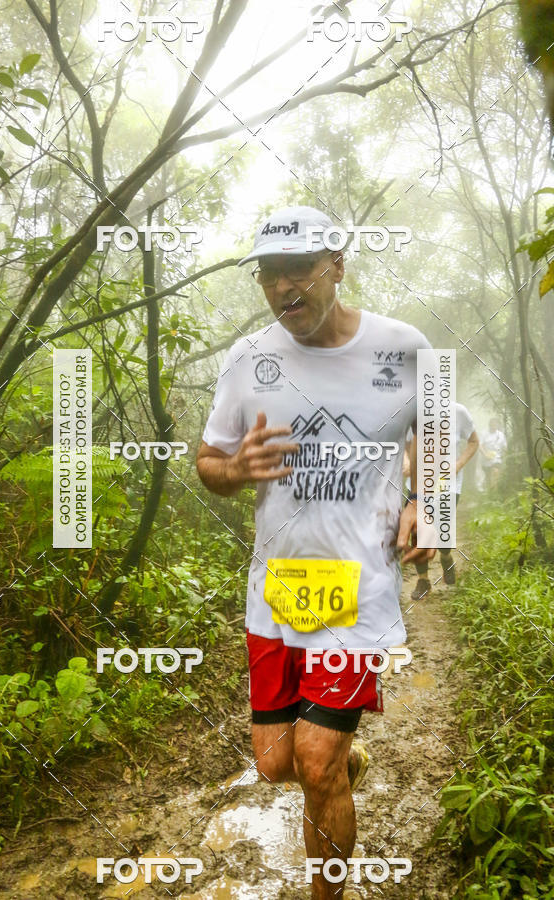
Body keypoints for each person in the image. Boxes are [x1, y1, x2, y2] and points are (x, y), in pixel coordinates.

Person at [196, 206, 435, 900]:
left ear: (338, 265)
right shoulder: (249, 359)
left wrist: (429, 504)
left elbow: (450, 433)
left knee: (314, 758)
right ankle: (337, 767)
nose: (282, 287)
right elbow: (208, 462)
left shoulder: (403, 346)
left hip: (357, 594)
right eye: (269, 275)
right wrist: (236, 470)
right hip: (276, 592)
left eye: (297, 268)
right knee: (276, 765)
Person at [410, 403, 479, 601]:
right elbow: (406, 443)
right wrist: (407, 461)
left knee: (442, 531)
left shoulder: (459, 412)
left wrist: (458, 464)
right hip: (418, 484)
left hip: (448, 485)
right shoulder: (412, 411)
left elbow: (474, 441)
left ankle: (446, 556)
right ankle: (423, 580)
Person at [480, 417, 507, 491]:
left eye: (495, 424)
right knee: (488, 476)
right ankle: (489, 492)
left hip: (497, 459)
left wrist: (505, 456)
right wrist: (485, 454)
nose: (494, 426)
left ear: (498, 425)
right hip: (486, 459)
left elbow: (505, 447)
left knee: (495, 472)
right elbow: (480, 445)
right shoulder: (484, 433)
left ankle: (494, 492)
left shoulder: (501, 435)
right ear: (489, 425)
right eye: (492, 425)